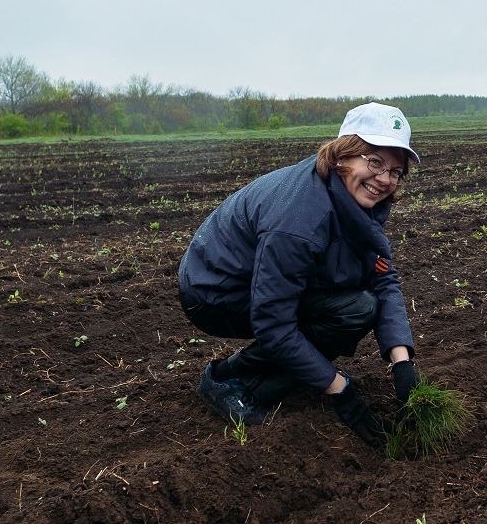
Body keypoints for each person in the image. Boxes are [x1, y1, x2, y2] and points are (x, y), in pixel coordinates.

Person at [177, 102, 423, 446]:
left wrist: (402, 363)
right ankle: (228, 379)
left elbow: (381, 276)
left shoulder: (353, 199)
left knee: (362, 303)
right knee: (353, 311)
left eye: (396, 171)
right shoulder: (300, 220)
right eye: (375, 161)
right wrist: (341, 390)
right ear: (342, 155)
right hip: (215, 293)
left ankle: (287, 374)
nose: (384, 180)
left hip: (262, 279)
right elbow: (272, 321)